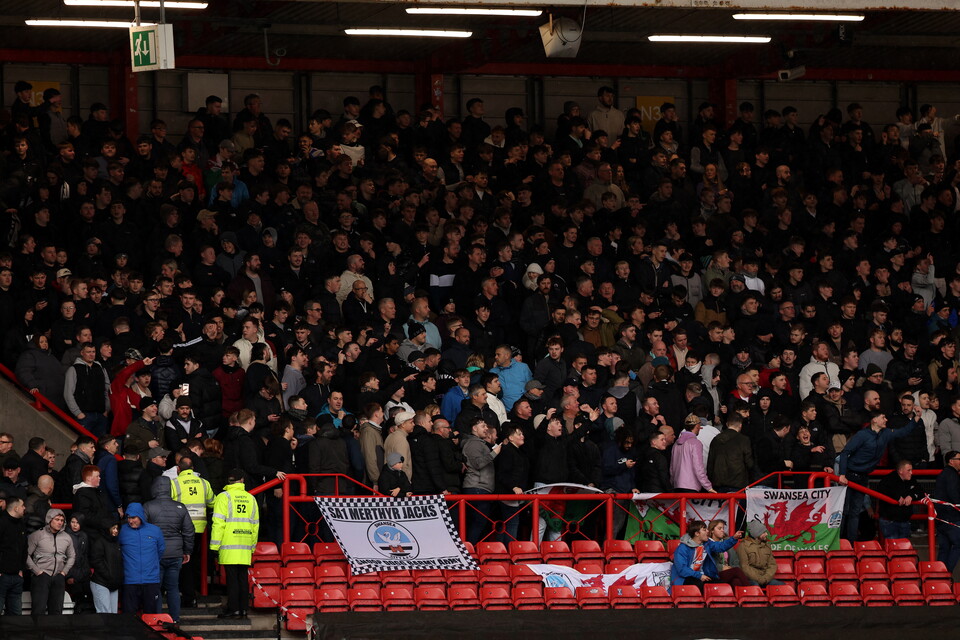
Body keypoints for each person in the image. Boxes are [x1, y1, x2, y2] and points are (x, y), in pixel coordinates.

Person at [837, 407, 921, 541]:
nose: (886, 420)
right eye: (883, 417)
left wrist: (916, 418)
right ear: (874, 420)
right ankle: (839, 541)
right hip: (850, 475)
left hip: (863, 477)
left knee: (855, 512)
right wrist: (842, 474)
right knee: (843, 511)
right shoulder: (862, 435)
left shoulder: (886, 433)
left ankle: (850, 543)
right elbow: (845, 452)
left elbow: (903, 432)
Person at [143, 476, 195, 623]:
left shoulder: (148, 506)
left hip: (155, 554)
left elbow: (142, 530)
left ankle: (158, 619)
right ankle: (175, 619)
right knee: (173, 588)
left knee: (156, 588)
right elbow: (189, 531)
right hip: (176, 553)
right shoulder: (180, 507)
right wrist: (187, 551)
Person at [211, 469, 259, 619]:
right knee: (242, 578)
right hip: (245, 544)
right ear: (242, 480)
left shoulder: (223, 497)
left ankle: (233, 609)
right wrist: (252, 545)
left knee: (232, 579)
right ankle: (244, 609)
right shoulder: (251, 498)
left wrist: (214, 546)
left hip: (229, 543)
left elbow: (218, 523)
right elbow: (255, 525)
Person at [170, 454, 214, 608]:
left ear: (178, 469)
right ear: (193, 469)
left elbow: (169, 504)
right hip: (200, 529)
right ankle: (193, 593)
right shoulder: (204, 483)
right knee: (194, 560)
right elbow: (212, 503)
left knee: (184, 562)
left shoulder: (174, 483)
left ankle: (188, 596)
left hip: (181, 529)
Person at [118, 502, 165, 616]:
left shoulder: (155, 530)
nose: (130, 521)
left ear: (140, 516)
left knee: (151, 616)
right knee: (129, 617)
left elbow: (160, 550)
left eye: (133, 517)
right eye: (128, 517)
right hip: (130, 580)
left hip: (151, 580)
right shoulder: (122, 531)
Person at [27, 508, 76, 615]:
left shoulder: (67, 537)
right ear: (49, 520)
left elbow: (72, 556)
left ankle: (54, 632)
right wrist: (37, 571)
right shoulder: (37, 535)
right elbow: (25, 555)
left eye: (62, 520)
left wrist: (64, 572)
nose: (60, 522)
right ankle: (37, 631)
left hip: (58, 577)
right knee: (38, 610)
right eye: (57, 519)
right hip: (41, 577)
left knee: (56, 611)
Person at [671, 519, 741, 592]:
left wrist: (734, 538)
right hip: (685, 578)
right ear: (697, 533)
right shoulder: (682, 548)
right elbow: (682, 569)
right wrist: (699, 576)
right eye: (704, 530)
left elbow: (720, 546)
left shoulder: (707, 543)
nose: (708, 531)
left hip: (702, 576)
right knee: (700, 586)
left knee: (721, 586)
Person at [877, 460, 923, 540]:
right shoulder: (888, 480)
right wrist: (897, 497)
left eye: (911, 470)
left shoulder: (911, 480)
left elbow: (921, 491)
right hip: (890, 520)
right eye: (908, 470)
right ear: (900, 471)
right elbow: (881, 490)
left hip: (904, 520)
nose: (911, 473)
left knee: (903, 549)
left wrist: (911, 496)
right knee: (893, 548)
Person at [89, 516, 123, 613]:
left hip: (113, 583)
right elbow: (96, 562)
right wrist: (110, 576)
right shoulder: (99, 542)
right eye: (113, 528)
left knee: (113, 615)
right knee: (105, 613)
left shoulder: (115, 542)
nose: (116, 531)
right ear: (107, 528)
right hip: (101, 582)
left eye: (117, 528)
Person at [0, 496, 27, 615]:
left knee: (16, 616)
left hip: (17, 575)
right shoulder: (1, 522)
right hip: (2, 575)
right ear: (16, 508)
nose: (24, 508)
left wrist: (21, 568)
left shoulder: (21, 524)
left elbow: (24, 548)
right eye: (22, 506)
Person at [706, 519, 752, 589]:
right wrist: (721, 567)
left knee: (736, 582)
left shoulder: (727, 543)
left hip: (729, 572)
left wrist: (730, 568)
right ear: (712, 530)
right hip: (715, 573)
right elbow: (707, 563)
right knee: (737, 571)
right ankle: (751, 591)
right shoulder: (708, 543)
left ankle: (744, 599)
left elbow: (735, 561)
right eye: (719, 528)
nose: (722, 530)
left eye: (723, 528)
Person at [934, 450, 960, 572]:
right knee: (958, 544)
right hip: (951, 517)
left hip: (941, 517)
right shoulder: (952, 475)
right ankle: (947, 573)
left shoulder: (944, 474)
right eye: (959, 459)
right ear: (951, 461)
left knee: (944, 547)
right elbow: (954, 495)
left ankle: (939, 576)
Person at [737, 520, 783, 587]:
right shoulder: (743, 546)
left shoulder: (767, 546)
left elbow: (772, 565)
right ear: (756, 534)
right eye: (763, 532)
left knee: (781, 586)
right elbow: (744, 567)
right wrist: (759, 579)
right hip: (751, 579)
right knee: (755, 586)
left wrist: (766, 578)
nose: (766, 534)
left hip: (765, 578)